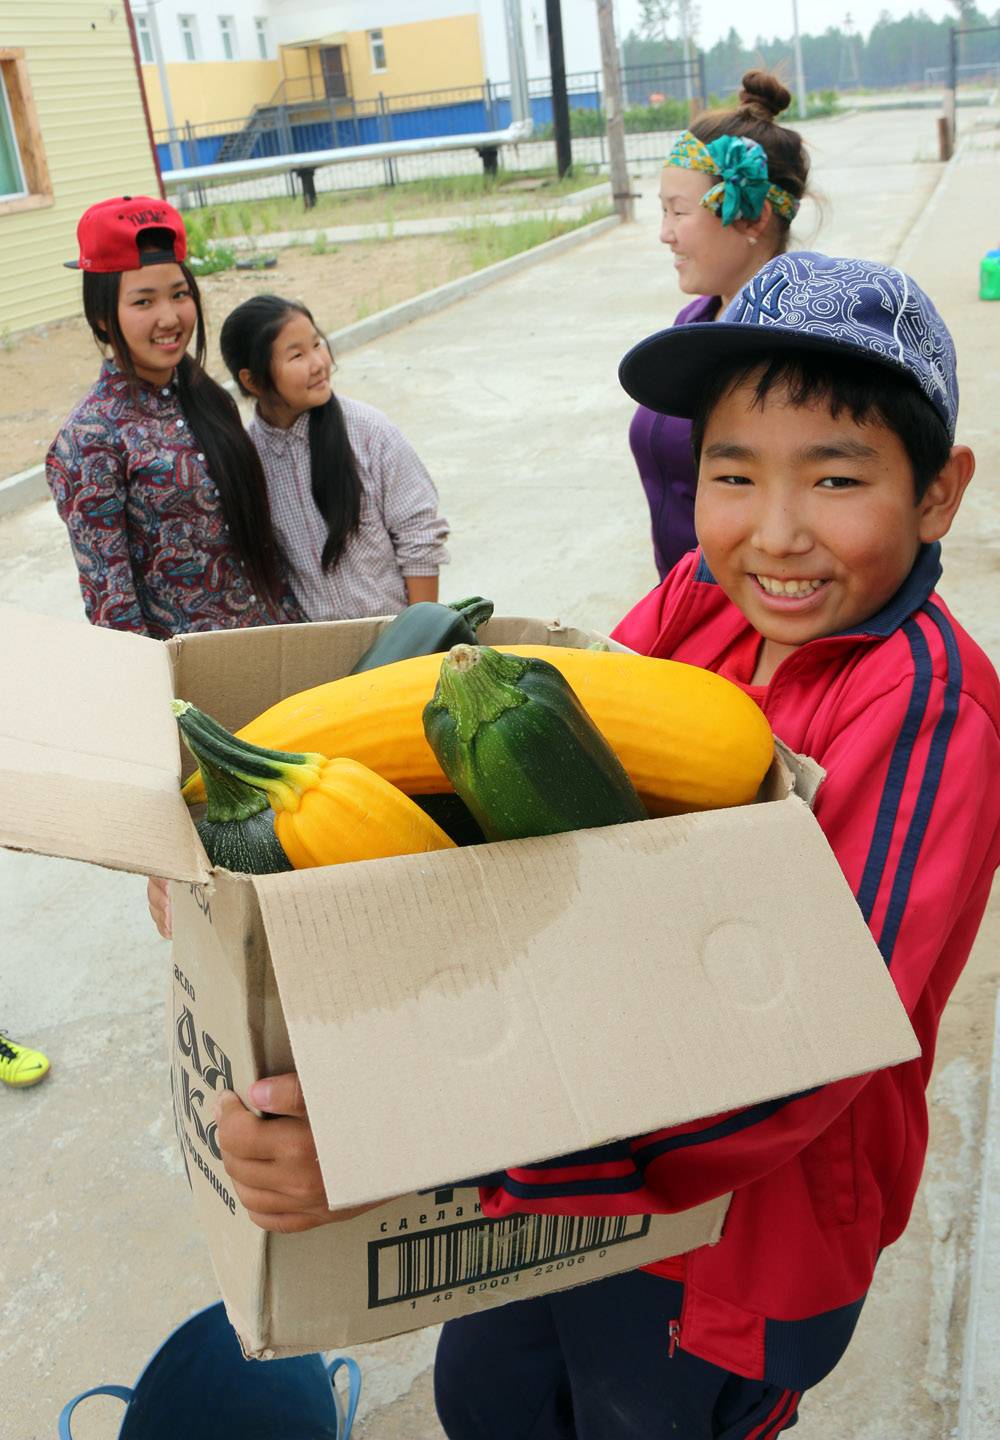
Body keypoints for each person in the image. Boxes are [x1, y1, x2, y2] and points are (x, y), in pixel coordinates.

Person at [212, 252, 1000, 1437]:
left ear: (937, 494)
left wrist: (422, 1142)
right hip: (568, 1139)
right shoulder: (697, 597)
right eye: (732, 474)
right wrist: (239, 844)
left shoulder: (928, 712)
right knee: (485, 1401)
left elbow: (809, 1049)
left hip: (744, 1230)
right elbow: (536, 810)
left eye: (835, 478)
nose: (775, 532)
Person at [47, 195, 306, 638]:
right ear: (102, 316)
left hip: (278, 645)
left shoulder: (208, 398)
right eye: (143, 302)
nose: (169, 318)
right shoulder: (90, 439)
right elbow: (113, 612)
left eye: (179, 294)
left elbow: (263, 550)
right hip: (193, 671)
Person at [632, 70, 811, 582]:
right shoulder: (696, 318)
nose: (665, 234)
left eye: (678, 212)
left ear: (753, 217)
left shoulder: (792, 346)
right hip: (687, 596)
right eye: (662, 211)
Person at [218, 294, 449, 620]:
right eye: (297, 355)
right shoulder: (248, 459)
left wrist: (422, 636)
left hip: (396, 633)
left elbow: (419, 536)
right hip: (316, 644)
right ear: (252, 381)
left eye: (317, 344)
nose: (318, 363)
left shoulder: (369, 432)